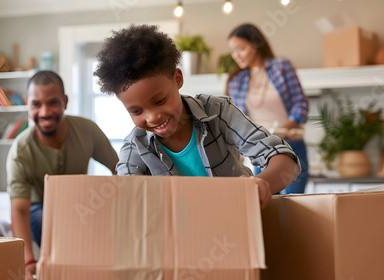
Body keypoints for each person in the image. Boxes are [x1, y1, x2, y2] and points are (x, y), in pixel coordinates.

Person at [94, 24, 300, 208]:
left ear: (177, 79)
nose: (153, 117)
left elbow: (287, 163)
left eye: (159, 101)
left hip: (237, 225)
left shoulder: (217, 111)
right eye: (136, 111)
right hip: (182, 239)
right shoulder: (135, 146)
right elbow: (127, 196)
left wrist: (260, 183)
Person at [6, 70, 119, 280]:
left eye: (53, 102)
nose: (45, 112)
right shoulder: (20, 151)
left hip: (84, 206)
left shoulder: (87, 130)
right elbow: (19, 210)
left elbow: (119, 170)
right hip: (42, 211)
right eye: (37, 104)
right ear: (28, 105)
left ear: (65, 102)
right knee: (45, 218)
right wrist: (29, 261)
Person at [225, 23, 309, 194]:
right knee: (265, 204)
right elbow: (236, 122)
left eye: (241, 48)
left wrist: (285, 128)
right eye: (233, 50)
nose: (236, 55)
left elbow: (301, 104)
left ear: (255, 44)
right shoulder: (236, 81)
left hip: (290, 144)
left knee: (294, 203)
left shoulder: (281, 67)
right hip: (262, 151)